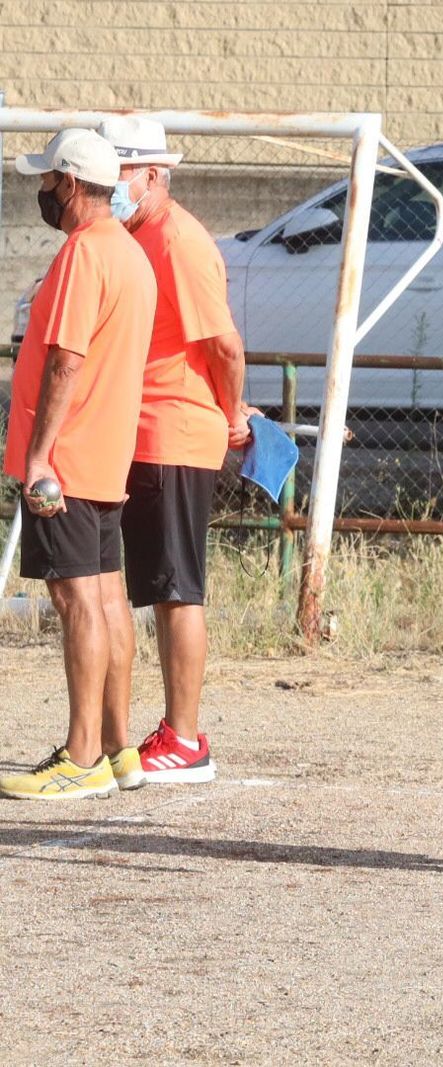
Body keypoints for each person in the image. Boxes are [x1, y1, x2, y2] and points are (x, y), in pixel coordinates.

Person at [1, 129, 157, 800]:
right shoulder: (130, 252)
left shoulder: (83, 254)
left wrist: (39, 455)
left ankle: (84, 753)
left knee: (73, 597)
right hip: (105, 451)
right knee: (104, 595)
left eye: (46, 179)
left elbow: (66, 359)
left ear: (69, 182)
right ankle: (119, 748)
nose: (40, 190)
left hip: (65, 456)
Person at [98, 116, 252, 785]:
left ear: (153, 175)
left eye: (120, 173)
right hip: (153, 429)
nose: (110, 186)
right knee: (163, 587)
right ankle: (177, 732)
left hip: (175, 431)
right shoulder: (141, 234)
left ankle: (185, 738)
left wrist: (233, 412)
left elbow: (223, 343)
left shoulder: (177, 239)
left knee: (178, 587)